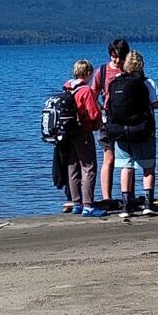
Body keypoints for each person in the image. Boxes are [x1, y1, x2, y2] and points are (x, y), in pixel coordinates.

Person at [101, 50, 158, 219]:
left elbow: (108, 106)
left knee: (126, 167)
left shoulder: (115, 82)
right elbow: (156, 104)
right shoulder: (147, 82)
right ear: (141, 65)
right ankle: (148, 205)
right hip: (143, 130)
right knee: (148, 167)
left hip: (121, 131)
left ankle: (126, 206)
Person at [92, 38, 132, 205]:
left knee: (128, 160)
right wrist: (99, 112)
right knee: (108, 158)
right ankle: (106, 197)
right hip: (107, 119)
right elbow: (93, 95)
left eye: (120, 57)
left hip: (127, 120)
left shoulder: (131, 71)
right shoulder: (101, 72)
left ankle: (128, 195)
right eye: (114, 56)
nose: (116, 61)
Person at [58, 59, 99, 214]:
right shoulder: (85, 90)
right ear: (88, 73)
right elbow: (94, 114)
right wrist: (99, 124)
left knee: (73, 166)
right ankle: (88, 205)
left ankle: (76, 203)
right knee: (89, 167)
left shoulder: (67, 88)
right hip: (82, 131)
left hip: (68, 133)